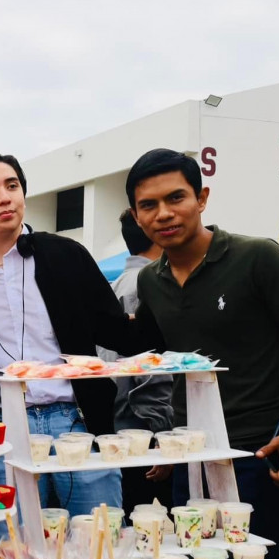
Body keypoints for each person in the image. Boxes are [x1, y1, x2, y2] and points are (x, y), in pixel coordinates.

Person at [128, 148, 279, 559]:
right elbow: (159, 358)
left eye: (176, 198)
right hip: (191, 456)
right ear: (136, 216)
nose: (164, 213)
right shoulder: (150, 280)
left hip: (259, 451)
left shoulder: (257, 256)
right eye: (149, 205)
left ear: (201, 198)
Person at [0, 154, 155, 534]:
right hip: (4, 428)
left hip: (78, 421)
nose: (4, 197)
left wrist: (169, 286)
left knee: (98, 543)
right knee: (16, 550)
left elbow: (116, 332)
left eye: (12, 186)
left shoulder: (66, 255)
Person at [106, 208, 174, 511]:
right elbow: (148, 366)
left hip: (122, 421)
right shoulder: (146, 284)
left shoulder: (117, 283)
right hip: (143, 426)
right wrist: (163, 433)